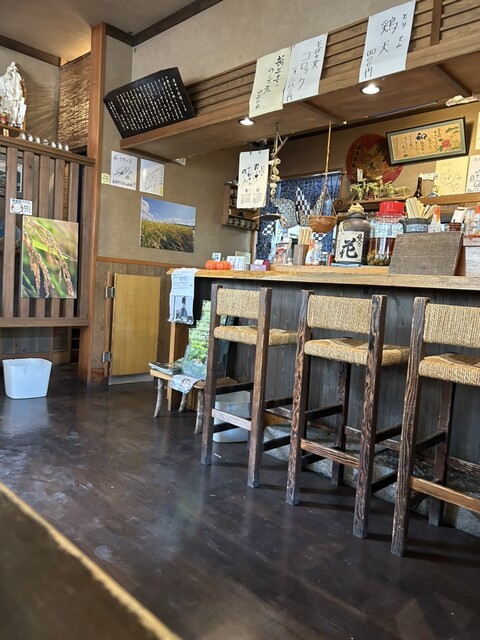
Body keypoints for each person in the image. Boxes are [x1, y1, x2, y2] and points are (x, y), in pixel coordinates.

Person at [0, 62, 26, 127]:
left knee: (14, 108)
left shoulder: (17, 77)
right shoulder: (4, 80)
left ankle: (12, 122)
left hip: (15, 99)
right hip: (8, 99)